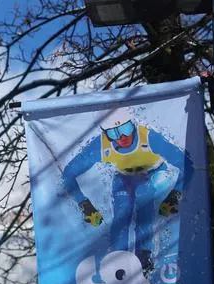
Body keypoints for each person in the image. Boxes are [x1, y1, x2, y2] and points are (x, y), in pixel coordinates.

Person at [60, 115, 185, 273]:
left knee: (144, 199)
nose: (122, 137)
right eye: (114, 133)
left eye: (126, 129)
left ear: (133, 125)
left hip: (154, 174)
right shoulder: (100, 145)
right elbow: (68, 174)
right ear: (106, 134)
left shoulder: (150, 138)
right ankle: (118, 258)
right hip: (124, 177)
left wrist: (175, 194)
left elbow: (187, 163)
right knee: (121, 211)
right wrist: (84, 204)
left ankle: (144, 257)